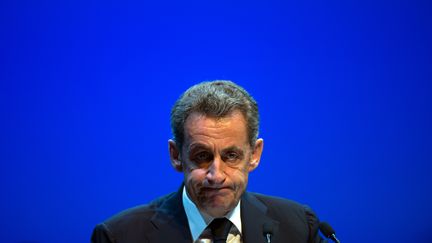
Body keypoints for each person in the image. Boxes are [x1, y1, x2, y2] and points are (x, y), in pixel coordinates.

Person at [91, 80, 325, 243]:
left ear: (254, 154)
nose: (216, 174)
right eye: (202, 157)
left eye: (231, 156)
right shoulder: (119, 236)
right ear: (176, 156)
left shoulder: (298, 227)